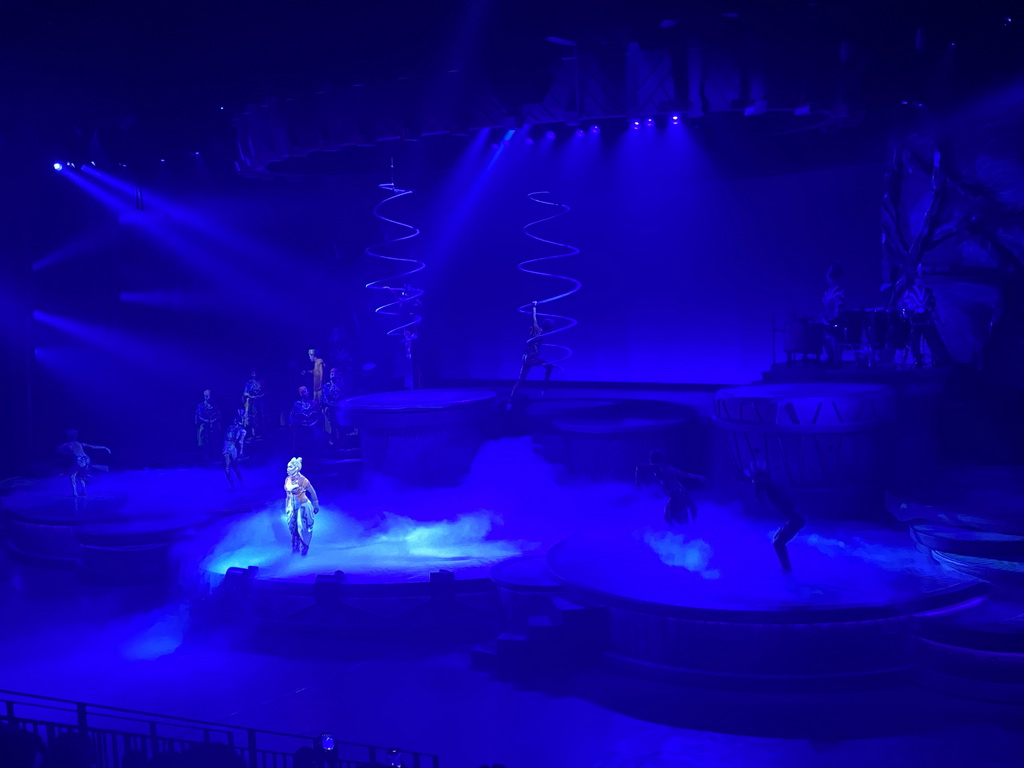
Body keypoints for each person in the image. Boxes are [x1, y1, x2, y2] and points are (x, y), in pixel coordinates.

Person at [745, 453, 805, 573]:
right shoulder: (769, 488)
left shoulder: (771, 488)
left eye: (755, 480)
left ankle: (787, 570)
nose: (754, 482)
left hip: (796, 519)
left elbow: (788, 504)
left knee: (778, 543)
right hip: (793, 518)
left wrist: (792, 520)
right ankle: (786, 568)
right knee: (777, 540)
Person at [635, 450, 706, 524]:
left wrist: (698, 477)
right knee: (677, 512)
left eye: (652, 460)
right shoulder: (660, 468)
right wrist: (638, 482)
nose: (650, 462)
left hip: (678, 491)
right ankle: (686, 519)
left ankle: (687, 519)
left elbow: (685, 475)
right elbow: (639, 467)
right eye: (650, 460)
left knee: (681, 510)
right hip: (676, 492)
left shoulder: (664, 468)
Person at [899, 263, 947, 366]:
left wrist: (939, 320)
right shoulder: (909, 291)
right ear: (915, 280)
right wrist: (906, 314)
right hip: (914, 320)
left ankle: (935, 359)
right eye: (918, 278)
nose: (920, 280)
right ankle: (918, 360)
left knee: (931, 341)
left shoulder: (928, 291)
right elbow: (904, 305)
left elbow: (933, 306)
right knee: (914, 342)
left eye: (921, 279)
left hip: (926, 320)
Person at [509, 301, 555, 403]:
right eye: (551, 326)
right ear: (547, 326)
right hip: (529, 358)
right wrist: (534, 307)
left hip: (531, 357)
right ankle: (544, 387)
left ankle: (512, 397)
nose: (552, 328)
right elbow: (534, 319)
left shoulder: (541, 332)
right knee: (548, 367)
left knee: (522, 379)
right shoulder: (537, 330)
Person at [57, 429, 111, 496]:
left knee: (72, 476)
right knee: (80, 476)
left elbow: (59, 449)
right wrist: (104, 447)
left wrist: (65, 452)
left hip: (79, 459)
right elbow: (92, 447)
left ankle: (75, 492)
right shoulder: (80, 444)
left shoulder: (67, 445)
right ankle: (84, 491)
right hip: (86, 459)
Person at [284, 456, 319, 556]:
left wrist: (315, 504)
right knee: (293, 528)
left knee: (303, 528)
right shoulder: (287, 480)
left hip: (302, 505)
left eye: (290, 467)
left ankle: (304, 549)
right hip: (292, 506)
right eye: (287, 467)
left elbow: (312, 492)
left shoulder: (303, 480)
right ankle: (295, 549)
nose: (288, 469)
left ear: (296, 468)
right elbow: (287, 495)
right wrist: (287, 507)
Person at [821, 262, 846, 364]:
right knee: (825, 336)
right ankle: (831, 357)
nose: (826, 276)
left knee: (834, 338)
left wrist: (833, 318)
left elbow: (839, 307)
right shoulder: (827, 292)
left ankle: (836, 358)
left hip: (835, 321)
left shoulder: (837, 291)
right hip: (828, 320)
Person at [289, 385, 322, 456]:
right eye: (303, 392)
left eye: (306, 391)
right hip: (302, 428)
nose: (305, 393)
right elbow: (294, 417)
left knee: (315, 439)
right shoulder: (297, 405)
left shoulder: (313, 403)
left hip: (313, 426)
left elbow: (319, 414)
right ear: (300, 394)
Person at [321, 367, 347, 447]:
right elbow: (324, 399)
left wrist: (341, 405)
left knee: (341, 425)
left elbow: (346, 397)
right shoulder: (326, 386)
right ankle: (333, 443)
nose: (332, 375)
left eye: (334, 373)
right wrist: (331, 405)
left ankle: (343, 442)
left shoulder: (342, 385)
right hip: (331, 409)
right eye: (331, 373)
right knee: (333, 426)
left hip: (341, 409)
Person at [222, 409, 246, 488]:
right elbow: (239, 441)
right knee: (229, 467)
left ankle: (239, 483)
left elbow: (240, 441)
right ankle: (234, 484)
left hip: (231, 447)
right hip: (228, 446)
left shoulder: (241, 430)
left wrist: (241, 451)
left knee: (232, 467)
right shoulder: (231, 428)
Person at [195, 389, 221, 461]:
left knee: (214, 440)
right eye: (205, 396)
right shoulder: (200, 406)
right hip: (204, 425)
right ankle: (205, 457)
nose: (207, 397)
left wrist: (213, 420)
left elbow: (218, 414)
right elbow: (199, 416)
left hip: (214, 425)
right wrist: (206, 421)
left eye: (208, 396)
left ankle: (215, 456)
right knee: (204, 440)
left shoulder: (215, 406)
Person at [242, 370, 266, 439]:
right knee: (251, 417)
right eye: (253, 373)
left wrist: (260, 396)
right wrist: (251, 396)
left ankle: (259, 433)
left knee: (261, 416)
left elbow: (264, 391)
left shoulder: (261, 382)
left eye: (256, 372)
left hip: (260, 402)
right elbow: (245, 393)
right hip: (251, 402)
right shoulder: (248, 383)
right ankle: (251, 433)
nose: (254, 374)